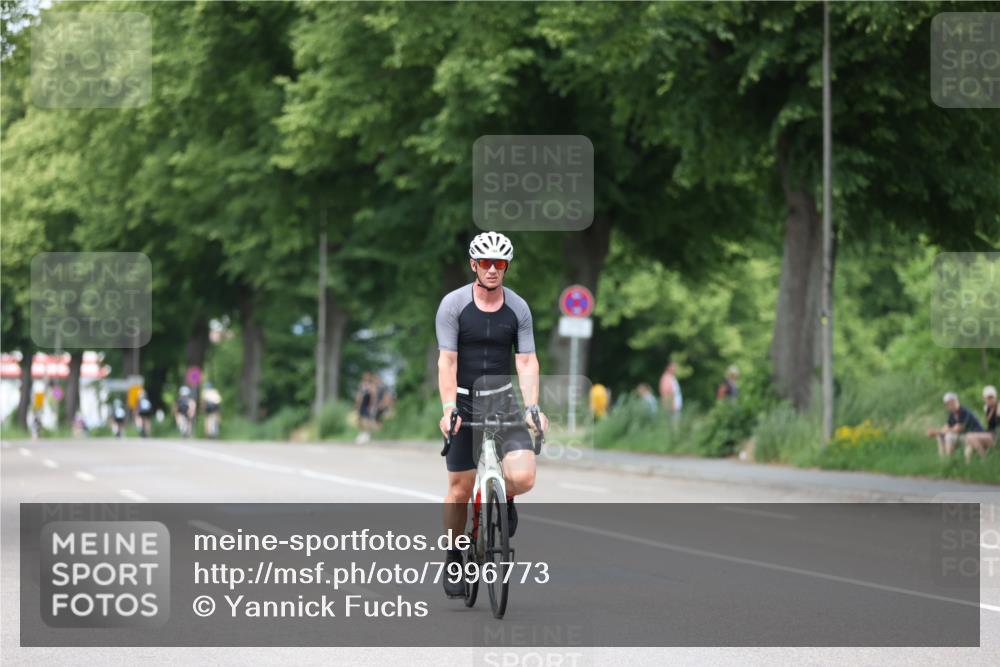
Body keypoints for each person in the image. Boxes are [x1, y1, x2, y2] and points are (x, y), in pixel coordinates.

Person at [435, 231, 547, 599]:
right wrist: (449, 409)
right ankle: (454, 554)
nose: (493, 269)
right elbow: (447, 361)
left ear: (507, 267)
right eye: (486, 263)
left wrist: (533, 408)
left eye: (500, 263)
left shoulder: (518, 308)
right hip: (464, 403)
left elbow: (527, 360)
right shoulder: (453, 306)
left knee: (525, 477)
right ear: (474, 266)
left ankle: (505, 499)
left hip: (502, 401)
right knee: (459, 490)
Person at [927, 392, 984, 458]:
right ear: (946, 405)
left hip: (975, 436)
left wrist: (936, 432)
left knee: (949, 436)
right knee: (940, 436)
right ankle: (943, 460)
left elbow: (958, 429)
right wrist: (936, 432)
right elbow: (946, 427)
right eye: (949, 403)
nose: (952, 405)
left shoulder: (964, 412)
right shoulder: (952, 414)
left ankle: (949, 459)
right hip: (964, 436)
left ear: (957, 401)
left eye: (953, 402)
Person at [964, 385, 997, 463]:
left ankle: (984, 458)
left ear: (995, 397)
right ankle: (968, 464)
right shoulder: (987, 407)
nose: (989, 400)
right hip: (989, 433)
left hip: (995, 435)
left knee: (969, 437)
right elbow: (988, 420)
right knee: (970, 443)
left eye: (991, 397)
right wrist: (992, 409)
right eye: (987, 398)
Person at [354, 373, 375, 443]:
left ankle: (367, 434)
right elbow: (358, 395)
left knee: (367, 420)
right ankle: (362, 433)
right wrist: (357, 405)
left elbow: (372, 396)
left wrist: (371, 406)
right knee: (359, 419)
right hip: (361, 404)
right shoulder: (361, 385)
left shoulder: (371, 386)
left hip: (367, 404)